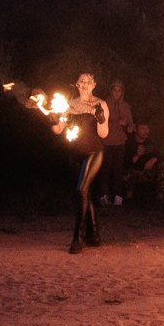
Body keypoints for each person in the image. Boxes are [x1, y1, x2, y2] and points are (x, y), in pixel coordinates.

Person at [44, 71, 112, 252]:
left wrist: (101, 118)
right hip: (75, 155)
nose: (85, 83)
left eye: (89, 81)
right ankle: (94, 235)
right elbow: (59, 130)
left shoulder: (101, 104)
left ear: (94, 84)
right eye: (82, 81)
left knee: (81, 189)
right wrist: (52, 120)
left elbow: (104, 134)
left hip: (94, 152)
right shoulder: (69, 105)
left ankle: (77, 238)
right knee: (84, 193)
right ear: (77, 84)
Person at [104, 80, 136, 207]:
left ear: (122, 92)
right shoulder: (104, 104)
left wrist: (129, 127)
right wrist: (116, 123)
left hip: (120, 142)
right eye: (114, 90)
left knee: (118, 170)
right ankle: (104, 196)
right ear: (111, 91)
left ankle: (118, 196)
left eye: (119, 90)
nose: (117, 93)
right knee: (106, 170)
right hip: (106, 141)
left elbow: (131, 124)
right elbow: (100, 123)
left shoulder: (126, 106)